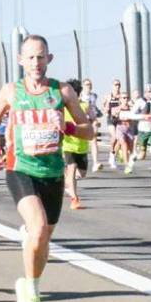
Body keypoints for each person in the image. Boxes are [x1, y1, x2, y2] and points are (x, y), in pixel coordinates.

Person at [0, 35, 92, 302]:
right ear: (21, 61)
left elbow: (88, 131)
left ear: (49, 59)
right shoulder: (11, 92)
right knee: (39, 227)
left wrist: (67, 126)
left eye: (41, 57)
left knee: (43, 240)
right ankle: (30, 294)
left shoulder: (62, 91)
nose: (36, 63)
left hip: (52, 173)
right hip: (20, 169)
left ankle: (30, 281)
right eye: (30, 58)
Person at [59, 79, 91, 211]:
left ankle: (67, 180)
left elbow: (92, 119)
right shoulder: (61, 107)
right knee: (71, 168)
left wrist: (94, 124)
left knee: (81, 173)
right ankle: (74, 198)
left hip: (82, 144)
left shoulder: (84, 106)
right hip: (68, 145)